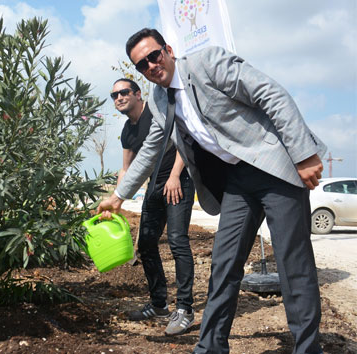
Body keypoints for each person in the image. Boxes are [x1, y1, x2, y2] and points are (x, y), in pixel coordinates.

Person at [98, 28, 325, 354]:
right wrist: (119, 196)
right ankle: (211, 347)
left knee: (294, 264)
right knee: (223, 263)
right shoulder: (160, 99)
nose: (150, 65)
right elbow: (151, 148)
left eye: (154, 55)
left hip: (275, 168)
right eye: (142, 65)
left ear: (168, 50)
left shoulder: (208, 63)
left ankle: (307, 349)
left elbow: (270, 93)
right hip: (238, 182)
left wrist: (303, 153)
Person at [111, 78, 196, 335]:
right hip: (154, 185)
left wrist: (173, 176)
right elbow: (126, 169)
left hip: (178, 180)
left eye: (124, 92)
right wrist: (117, 201)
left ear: (138, 94)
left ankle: (185, 309)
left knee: (177, 240)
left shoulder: (157, 110)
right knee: (146, 244)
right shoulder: (127, 131)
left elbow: (184, 138)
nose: (119, 98)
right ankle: (159, 304)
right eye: (114, 95)